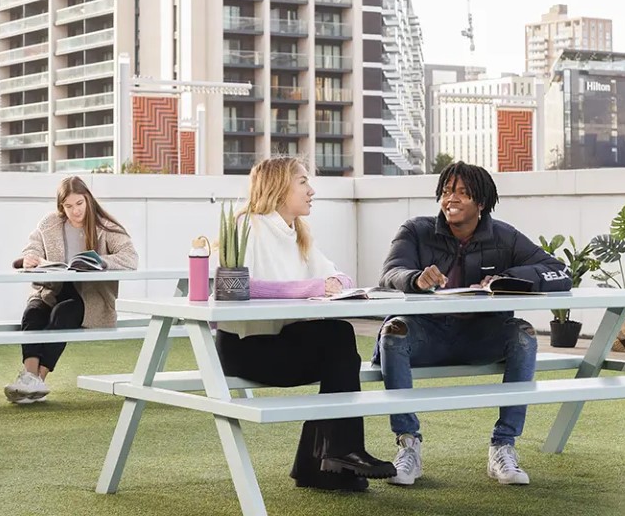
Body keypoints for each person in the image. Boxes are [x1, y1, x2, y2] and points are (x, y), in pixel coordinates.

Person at [373, 161, 572, 487]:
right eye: (447, 191)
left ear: (480, 202)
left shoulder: (504, 237)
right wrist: (415, 279)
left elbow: (561, 273)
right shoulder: (415, 230)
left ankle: (503, 446)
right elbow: (390, 273)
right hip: (429, 335)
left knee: (523, 336)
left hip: (483, 336)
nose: (452, 199)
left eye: (463, 193)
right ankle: (409, 445)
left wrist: (508, 277)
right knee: (394, 332)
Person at [216, 157, 396, 492]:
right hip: (246, 348)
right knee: (337, 341)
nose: (311, 190)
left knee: (338, 343)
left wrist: (336, 282)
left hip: (282, 342)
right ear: (280, 187)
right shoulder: (246, 226)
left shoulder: (298, 232)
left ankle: (324, 464)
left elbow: (338, 275)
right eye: (303, 182)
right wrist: (312, 287)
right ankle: (336, 457)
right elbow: (239, 285)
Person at [5, 176, 137, 403]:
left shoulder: (105, 227)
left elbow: (130, 258)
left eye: (79, 204)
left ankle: (38, 380)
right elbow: (32, 246)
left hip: (90, 299)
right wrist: (30, 258)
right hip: (52, 290)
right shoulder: (49, 223)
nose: (75, 211)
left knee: (62, 314)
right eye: (68, 206)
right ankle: (29, 378)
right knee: (33, 312)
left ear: (88, 200)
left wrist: (101, 262)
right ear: (61, 207)